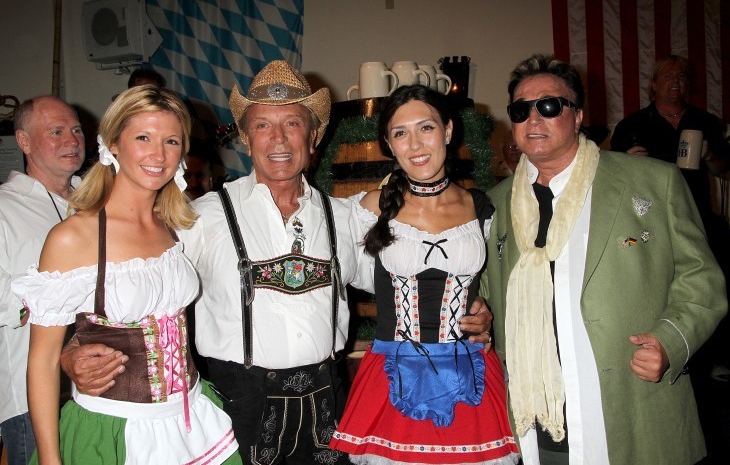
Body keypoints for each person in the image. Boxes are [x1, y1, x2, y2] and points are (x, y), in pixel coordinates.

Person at [59, 60, 492, 463]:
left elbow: (411, 271)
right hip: (238, 407)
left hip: (326, 402)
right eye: (263, 125)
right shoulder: (201, 216)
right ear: (246, 138)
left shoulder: (347, 216)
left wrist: (476, 309)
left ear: (314, 136)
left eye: (293, 124)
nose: (278, 139)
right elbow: (137, 284)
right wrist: (73, 350)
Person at [481, 54, 727, 464]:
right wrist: (480, 313)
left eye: (549, 105)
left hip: (631, 406)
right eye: (521, 110)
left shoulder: (652, 181)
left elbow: (702, 277)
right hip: (533, 411)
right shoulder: (495, 204)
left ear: (577, 117)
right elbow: (487, 291)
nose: (533, 119)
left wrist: (671, 340)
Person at [12, 86, 240, 464]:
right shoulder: (74, 237)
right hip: (114, 429)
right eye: (143, 138)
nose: (158, 154)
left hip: (192, 419)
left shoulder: (173, 225)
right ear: (113, 144)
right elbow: (42, 362)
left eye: (171, 141)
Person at [329, 85, 519, 464]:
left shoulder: (482, 207)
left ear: (448, 130)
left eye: (426, 128)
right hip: (393, 371)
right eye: (400, 133)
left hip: (471, 372)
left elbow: (506, 278)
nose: (415, 144)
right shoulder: (366, 209)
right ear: (388, 143)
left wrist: (488, 311)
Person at [0, 96, 85, 465]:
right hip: (34, 398)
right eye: (56, 131)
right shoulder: (4, 207)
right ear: (24, 141)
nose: (72, 140)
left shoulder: (99, 200)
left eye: (77, 130)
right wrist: (54, 289)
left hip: (102, 392)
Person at [610, 55, 728, 226]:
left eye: (681, 76)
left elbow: (722, 168)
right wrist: (627, 164)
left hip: (696, 214)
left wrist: (709, 155)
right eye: (667, 76)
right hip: (651, 216)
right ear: (654, 84)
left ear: (687, 84)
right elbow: (613, 175)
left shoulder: (705, 121)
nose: (675, 81)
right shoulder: (632, 124)